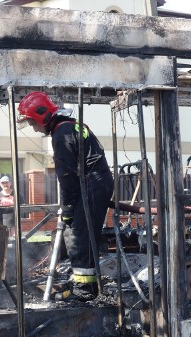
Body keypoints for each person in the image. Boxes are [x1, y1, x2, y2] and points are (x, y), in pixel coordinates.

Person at [17, 91, 114, 300]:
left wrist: (68, 207)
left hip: (92, 184)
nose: (33, 128)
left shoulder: (62, 134)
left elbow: (67, 176)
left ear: (42, 115)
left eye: (33, 122)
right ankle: (87, 285)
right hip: (95, 183)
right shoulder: (69, 126)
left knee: (77, 235)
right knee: (80, 234)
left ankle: (85, 291)